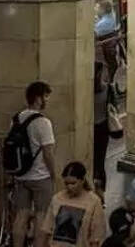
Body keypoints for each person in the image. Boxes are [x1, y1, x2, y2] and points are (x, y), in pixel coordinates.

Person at [12, 81, 58, 247]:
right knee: (42, 216)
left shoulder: (18, 118)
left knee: (21, 215)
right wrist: (54, 174)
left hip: (21, 175)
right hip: (40, 177)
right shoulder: (43, 123)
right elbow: (48, 153)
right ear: (38, 98)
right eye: (46, 96)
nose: (47, 100)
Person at [36, 161, 104, 247]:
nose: (69, 187)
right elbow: (47, 230)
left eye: (73, 183)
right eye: (66, 184)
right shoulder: (57, 199)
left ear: (82, 180)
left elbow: (96, 236)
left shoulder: (94, 202)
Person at [92, 62, 116, 193]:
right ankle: (101, 193)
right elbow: (114, 108)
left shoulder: (86, 91)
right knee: (100, 161)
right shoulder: (108, 89)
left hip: (90, 129)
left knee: (90, 160)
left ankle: (91, 189)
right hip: (103, 129)